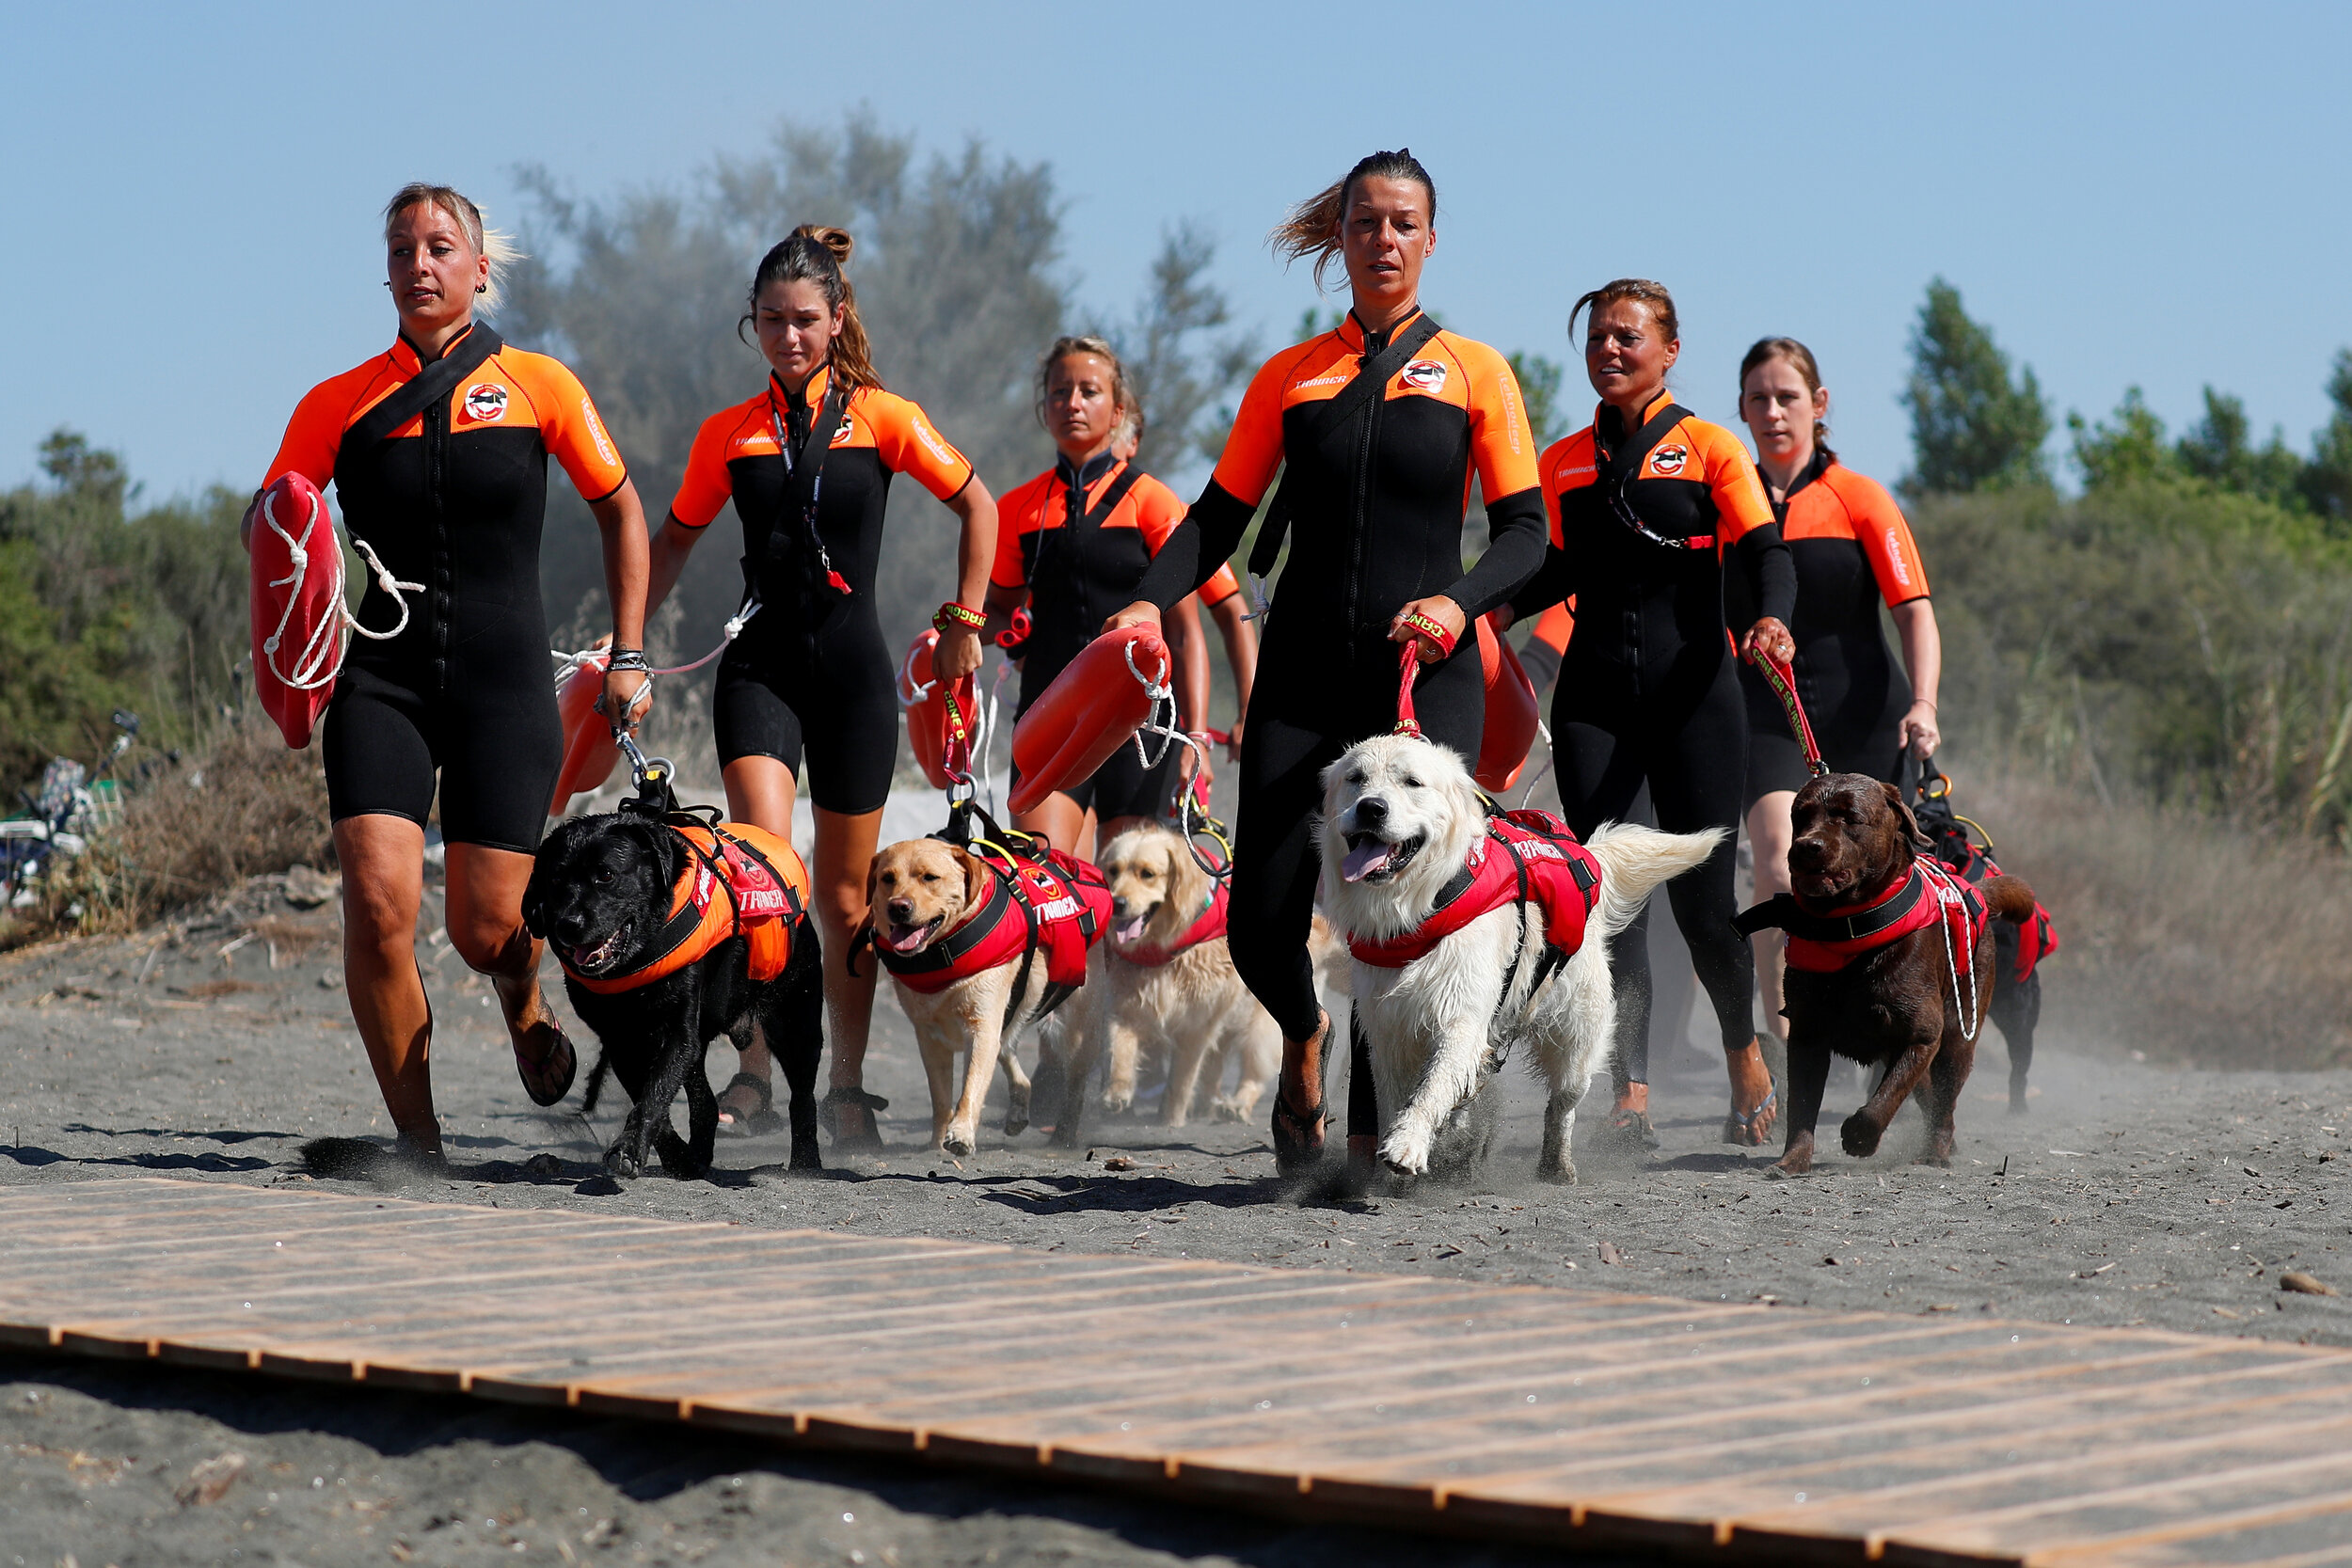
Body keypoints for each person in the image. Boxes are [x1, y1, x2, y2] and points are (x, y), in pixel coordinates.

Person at [1105, 150, 1549, 1175]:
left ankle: (1372, 1135)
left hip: (1423, 676)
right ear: (1340, 238)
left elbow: (1526, 533)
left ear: (1431, 240)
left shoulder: (1478, 370)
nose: (1384, 240)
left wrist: (1460, 601)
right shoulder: (1289, 375)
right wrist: (1144, 599)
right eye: (1365, 223)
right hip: (1301, 672)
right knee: (1260, 921)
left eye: (1403, 224)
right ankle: (1302, 1038)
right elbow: (1217, 516)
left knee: (1409, 922)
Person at [250, 183, 652, 1164]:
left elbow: (622, 510)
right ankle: (418, 1142)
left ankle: (521, 1002)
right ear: (384, 270)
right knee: (379, 903)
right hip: (379, 678)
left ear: (480, 267)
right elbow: (277, 523)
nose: (419, 264)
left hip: (502, 681)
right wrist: (288, 660)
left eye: (440, 247)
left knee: (484, 927)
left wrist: (629, 653)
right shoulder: (336, 402)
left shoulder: (540, 384)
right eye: (401, 249)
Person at [644, 227, 997, 1148]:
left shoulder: (886, 416)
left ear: (837, 320)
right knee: (765, 872)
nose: (789, 336)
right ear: (752, 324)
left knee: (846, 898)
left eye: (805, 320)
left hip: (853, 679)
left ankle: (843, 1087)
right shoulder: (729, 432)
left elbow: (977, 503)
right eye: (771, 321)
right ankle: (756, 1070)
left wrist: (965, 622)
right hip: (759, 671)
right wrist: (625, 640)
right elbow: (675, 537)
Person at [1501, 278, 1796, 1149]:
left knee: (1706, 907)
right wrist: (1480, 606)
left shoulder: (1708, 447)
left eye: (1627, 337)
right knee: (1606, 894)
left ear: (1669, 350)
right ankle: (1629, 1088)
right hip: (1594, 700)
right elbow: (1548, 572)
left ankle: (1744, 1048)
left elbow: (1763, 550)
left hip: (1697, 699)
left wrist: (1772, 617)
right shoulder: (1562, 461)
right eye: (1596, 338)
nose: (1609, 351)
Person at [1731, 337, 1942, 1047]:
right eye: (1758, 398)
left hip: (1866, 713)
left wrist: (1925, 705)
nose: (1773, 411)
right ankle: (1785, 1037)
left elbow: (1915, 610)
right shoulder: (1731, 500)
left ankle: (1891, 1016)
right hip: (1767, 715)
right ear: (1742, 409)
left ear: (1818, 405)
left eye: (1787, 396)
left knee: (1877, 872)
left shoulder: (1860, 497)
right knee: (1773, 857)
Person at [985, 337, 1257, 854]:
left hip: (1144, 731)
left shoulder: (1153, 500)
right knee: (1040, 883)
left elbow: (1186, 630)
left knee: (1132, 909)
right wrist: (996, 630)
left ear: (1118, 411)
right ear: (1043, 408)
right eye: (1059, 392)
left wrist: (1198, 736)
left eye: (1089, 391)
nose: (1072, 403)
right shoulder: (1018, 507)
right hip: (1053, 718)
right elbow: (997, 606)